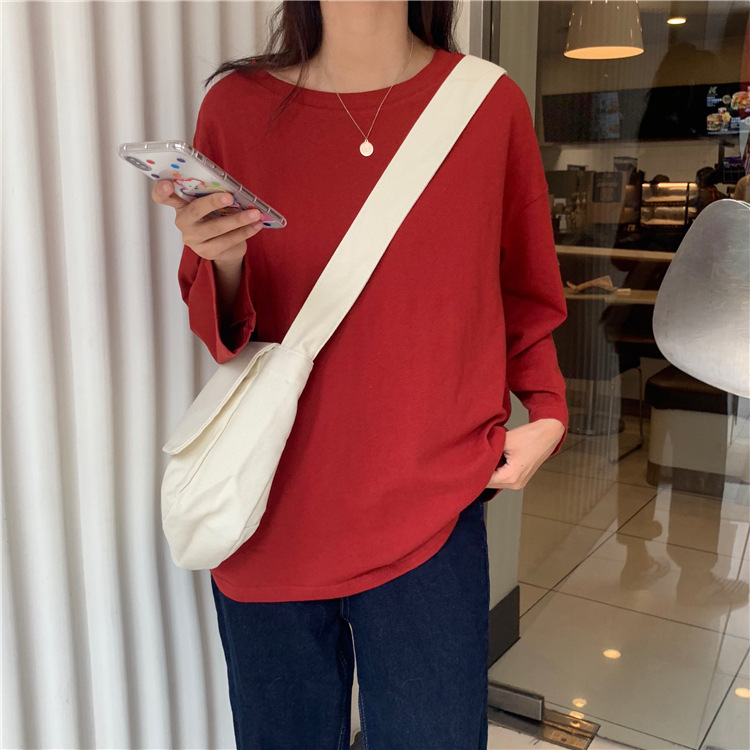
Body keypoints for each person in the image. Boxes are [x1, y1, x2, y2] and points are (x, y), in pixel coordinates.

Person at [151, 2, 568, 748]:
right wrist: (222, 257)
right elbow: (226, 335)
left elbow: (525, 288)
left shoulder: (486, 103)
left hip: (431, 511)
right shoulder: (236, 109)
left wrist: (548, 412)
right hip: (269, 512)